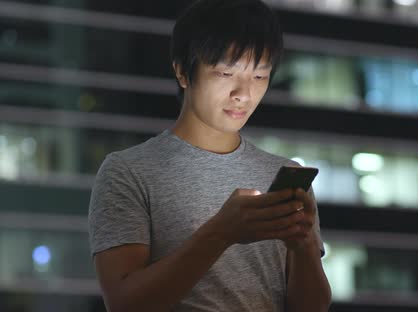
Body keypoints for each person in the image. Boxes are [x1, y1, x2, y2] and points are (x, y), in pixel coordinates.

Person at [87, 0, 332, 311]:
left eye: (259, 76)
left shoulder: (283, 172)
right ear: (182, 72)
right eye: (225, 73)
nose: (243, 93)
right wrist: (221, 233)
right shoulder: (128, 172)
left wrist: (304, 246)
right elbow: (124, 304)